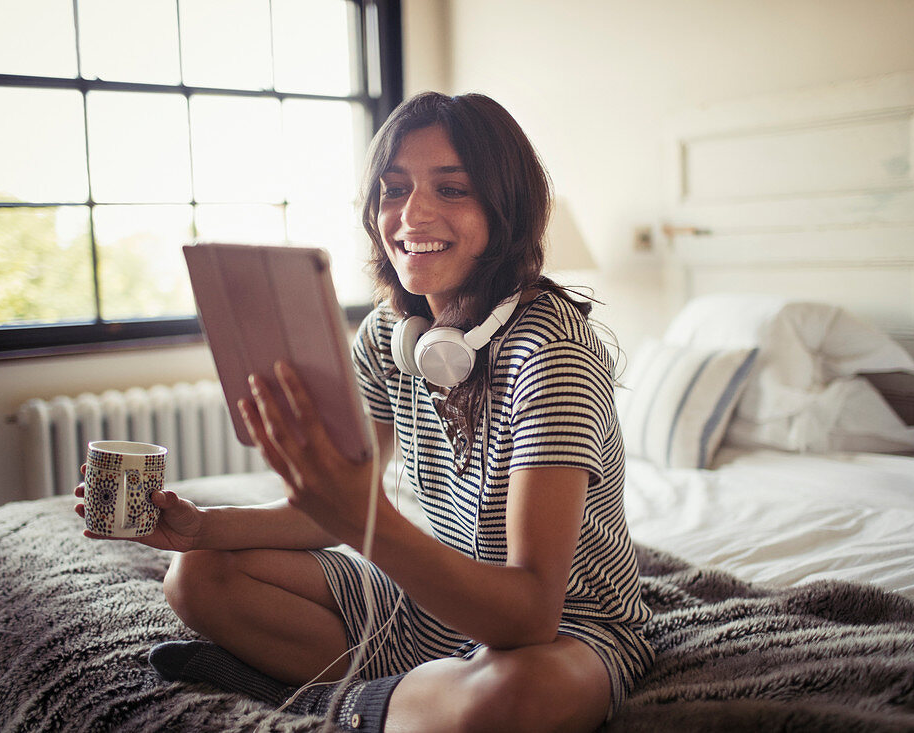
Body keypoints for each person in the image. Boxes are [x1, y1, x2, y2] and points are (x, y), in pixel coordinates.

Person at [76, 91, 653, 733]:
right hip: (428, 600)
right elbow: (331, 510)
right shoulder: (389, 334)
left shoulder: (552, 356)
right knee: (197, 577)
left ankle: (331, 702)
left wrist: (368, 524)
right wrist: (199, 529)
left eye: (453, 189)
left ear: (507, 207)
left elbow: (529, 616)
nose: (413, 214)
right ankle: (408, 699)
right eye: (393, 189)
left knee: (513, 697)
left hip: (564, 628)